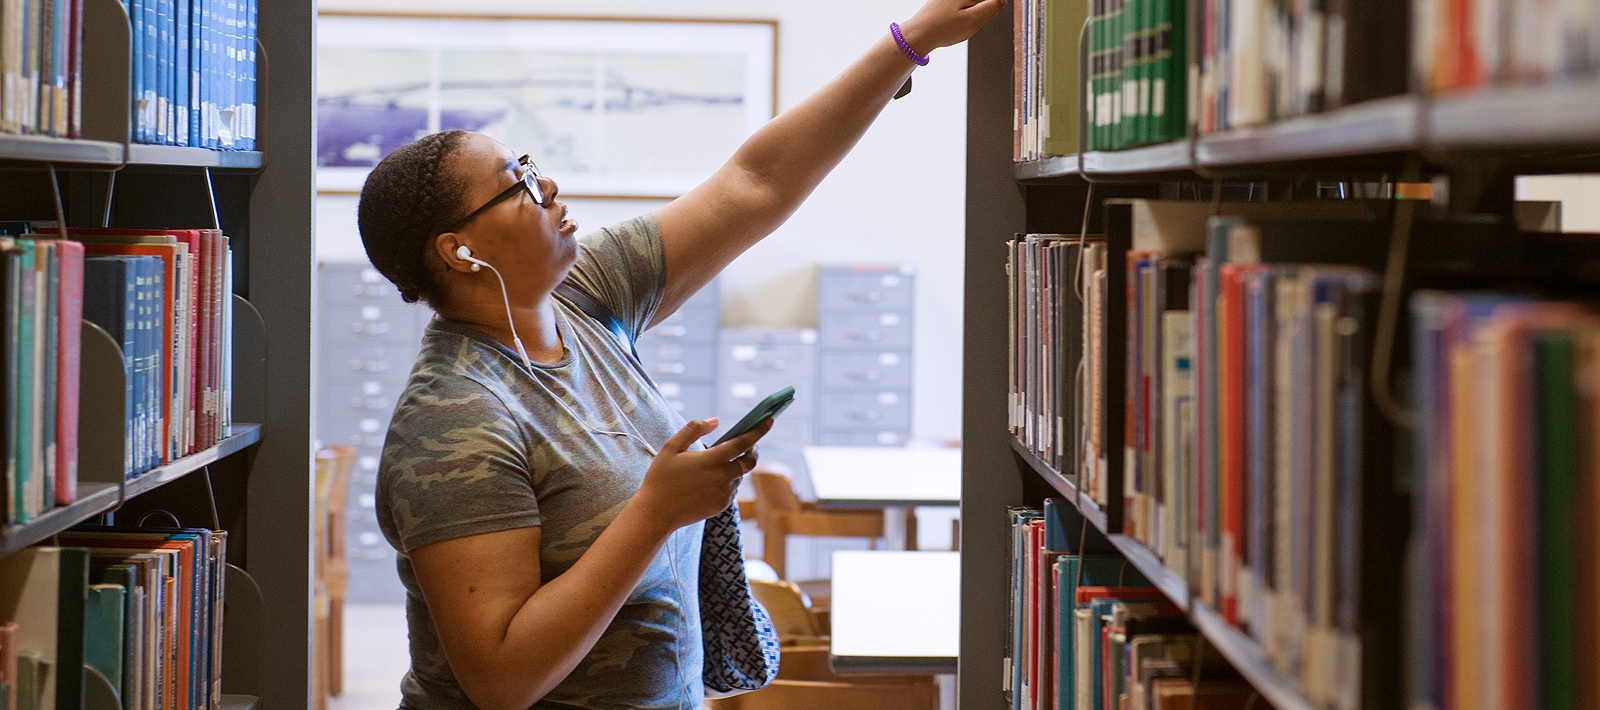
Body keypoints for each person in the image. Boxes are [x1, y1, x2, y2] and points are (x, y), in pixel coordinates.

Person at [355, 0, 1003, 708]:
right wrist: (655, 512)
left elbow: (755, 184)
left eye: (533, 165)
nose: (549, 187)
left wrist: (911, 43)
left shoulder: (584, 295)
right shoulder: (453, 420)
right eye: (518, 182)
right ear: (460, 250)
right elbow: (501, 677)